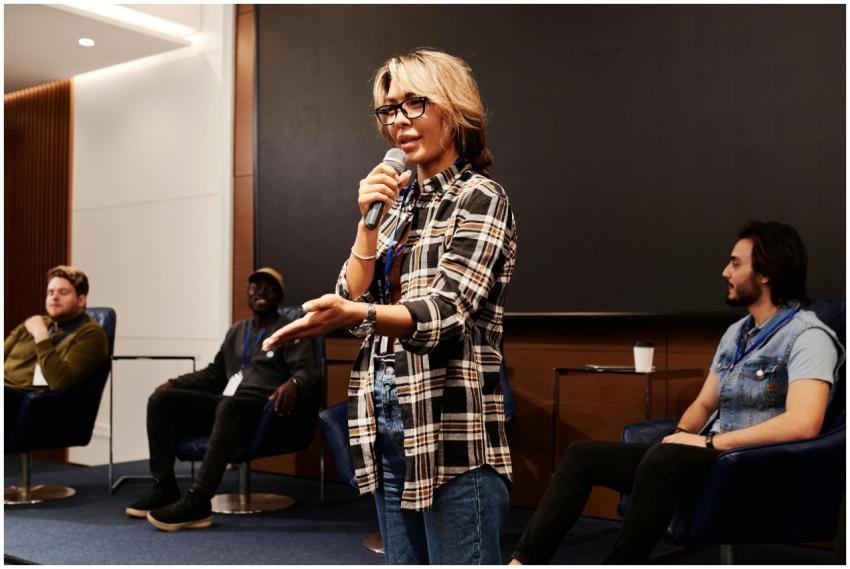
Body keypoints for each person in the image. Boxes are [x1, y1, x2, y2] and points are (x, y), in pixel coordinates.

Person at [263, 49, 517, 564]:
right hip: (385, 420)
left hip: (451, 432)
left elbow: (444, 313)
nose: (398, 121)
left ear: (453, 107)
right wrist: (366, 223)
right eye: (388, 109)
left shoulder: (480, 197)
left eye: (413, 103)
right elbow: (350, 290)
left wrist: (356, 315)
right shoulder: (395, 205)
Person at [510, 220, 844, 564]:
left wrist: (709, 443)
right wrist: (682, 435)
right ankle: (522, 561)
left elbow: (804, 423)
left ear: (766, 274)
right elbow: (703, 403)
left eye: (736, 263)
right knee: (583, 455)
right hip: (709, 458)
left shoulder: (809, 336)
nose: (725, 271)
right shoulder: (736, 333)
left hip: (755, 467)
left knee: (662, 459)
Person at [126, 267, 321, 532]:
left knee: (228, 405)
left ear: (280, 296)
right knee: (161, 401)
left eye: (270, 287)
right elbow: (215, 373)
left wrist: (293, 383)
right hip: (228, 405)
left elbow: (308, 371)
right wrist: (174, 383)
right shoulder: (237, 331)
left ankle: (199, 500)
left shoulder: (290, 329)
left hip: (264, 409)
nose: (261, 291)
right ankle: (165, 488)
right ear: (247, 294)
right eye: (255, 286)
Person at [5, 265, 109, 440]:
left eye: (63, 292)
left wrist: (41, 337)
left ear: (81, 300)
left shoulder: (91, 334)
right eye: (50, 292)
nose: (54, 297)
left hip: (27, 399)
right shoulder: (36, 322)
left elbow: (60, 382)